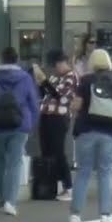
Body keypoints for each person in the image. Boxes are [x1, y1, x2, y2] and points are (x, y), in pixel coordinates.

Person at [0, 46, 41, 217]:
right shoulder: (25, 78)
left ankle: (1, 197)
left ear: (1, 60)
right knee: (15, 163)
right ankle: (11, 201)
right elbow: (33, 103)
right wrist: (31, 124)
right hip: (20, 124)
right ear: (17, 60)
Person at [69, 48, 112, 222]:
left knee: (83, 172)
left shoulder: (85, 81)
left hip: (86, 131)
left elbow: (76, 106)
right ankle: (105, 215)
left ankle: (75, 215)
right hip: (109, 132)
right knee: (105, 173)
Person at [38, 49, 79, 201]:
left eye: (55, 66)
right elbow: (45, 93)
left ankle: (68, 186)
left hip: (59, 117)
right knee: (46, 151)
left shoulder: (71, 76)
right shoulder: (55, 76)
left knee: (58, 151)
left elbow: (59, 95)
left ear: (61, 63)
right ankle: (50, 186)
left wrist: (44, 81)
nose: (54, 69)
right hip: (46, 115)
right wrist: (41, 83)